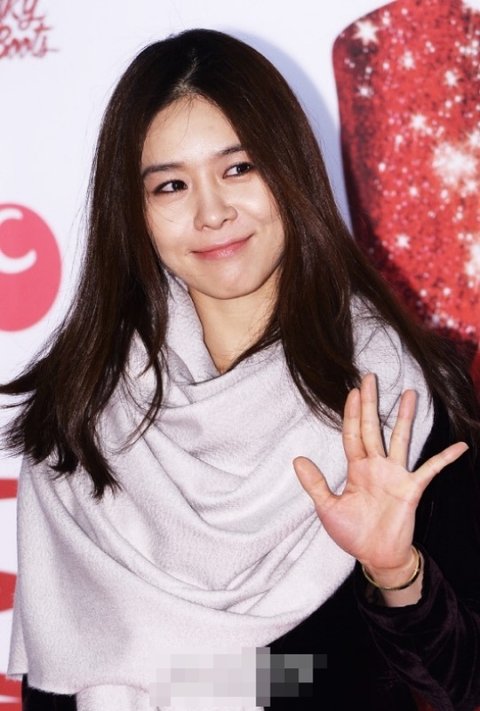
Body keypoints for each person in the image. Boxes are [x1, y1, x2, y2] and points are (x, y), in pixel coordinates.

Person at [1, 28, 479, 711]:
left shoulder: (393, 398)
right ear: (133, 212)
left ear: (290, 169)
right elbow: (55, 685)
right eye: (171, 185)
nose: (212, 212)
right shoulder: (81, 411)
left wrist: (395, 572)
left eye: (239, 168)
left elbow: (457, 681)